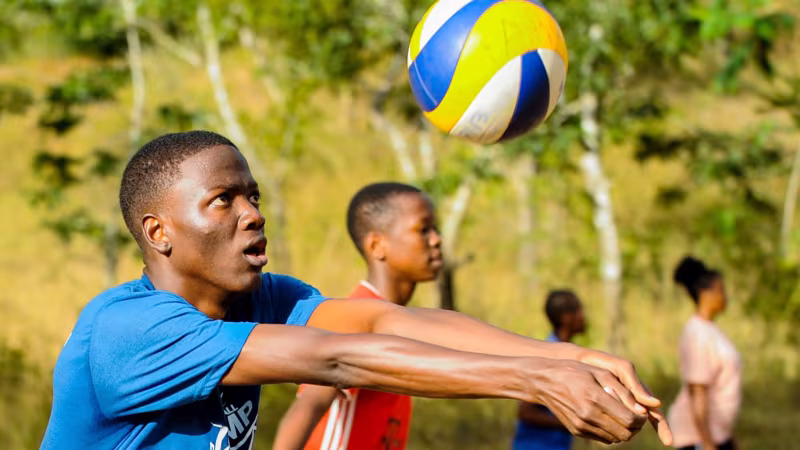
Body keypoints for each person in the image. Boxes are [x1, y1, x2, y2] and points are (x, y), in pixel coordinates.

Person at [40, 130, 671, 450]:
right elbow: (334, 357)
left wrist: (567, 357)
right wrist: (529, 381)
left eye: (253, 196)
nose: (252, 214)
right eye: (223, 200)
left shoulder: (263, 301)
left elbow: (378, 322)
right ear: (160, 232)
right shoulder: (129, 330)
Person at [274, 182, 443, 450]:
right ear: (377, 245)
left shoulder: (397, 321)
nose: (436, 239)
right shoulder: (354, 319)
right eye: (423, 229)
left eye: (436, 229)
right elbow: (309, 404)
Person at [667, 256, 741, 450]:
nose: (724, 296)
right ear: (704, 293)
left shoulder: (710, 330)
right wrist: (706, 441)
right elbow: (698, 390)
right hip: (697, 437)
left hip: (718, 432)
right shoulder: (696, 334)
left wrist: (728, 435)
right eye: (720, 290)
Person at [512, 290, 588, 450]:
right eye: (580, 311)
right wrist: (570, 421)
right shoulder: (548, 358)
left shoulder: (568, 355)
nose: (584, 317)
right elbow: (525, 411)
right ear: (566, 317)